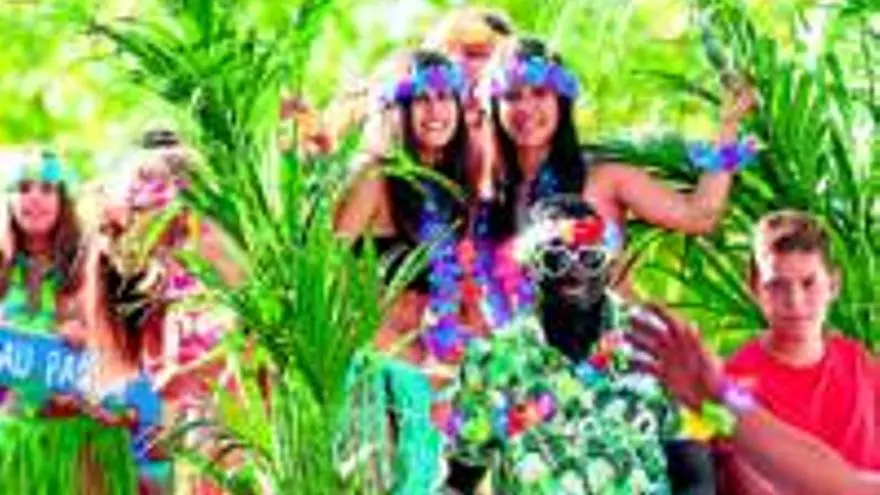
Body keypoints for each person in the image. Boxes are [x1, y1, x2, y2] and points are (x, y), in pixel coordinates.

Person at [627, 301, 880, 495]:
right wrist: (717, 398)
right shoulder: (745, 372)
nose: (794, 302)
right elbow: (831, 480)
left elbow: (833, 483)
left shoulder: (853, 359)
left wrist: (717, 398)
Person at [722, 210, 877, 492]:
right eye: (777, 285)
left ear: (833, 284)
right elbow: (753, 487)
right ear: (754, 288)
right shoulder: (734, 385)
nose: (795, 301)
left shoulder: (857, 361)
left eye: (808, 283)